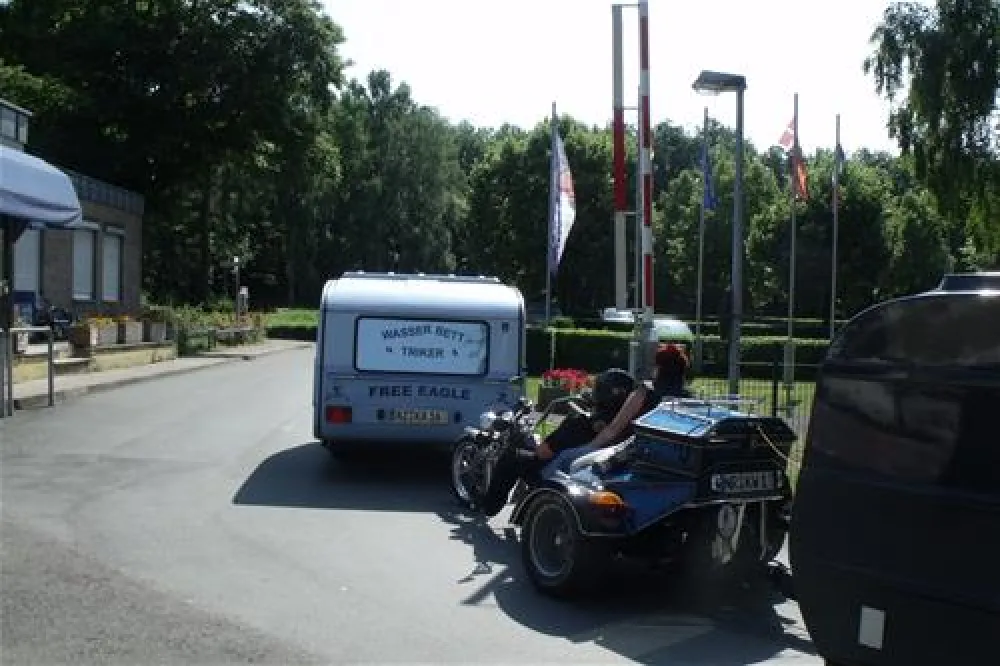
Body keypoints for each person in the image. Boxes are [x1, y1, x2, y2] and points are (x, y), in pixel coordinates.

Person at [537, 343, 694, 474]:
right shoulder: (689, 398)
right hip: (668, 459)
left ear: (659, 368)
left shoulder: (645, 391)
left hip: (628, 452)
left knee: (565, 458)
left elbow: (614, 429)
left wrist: (589, 447)